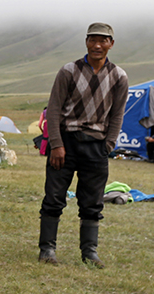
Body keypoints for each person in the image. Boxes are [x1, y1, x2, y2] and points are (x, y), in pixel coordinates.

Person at [39, 23, 129, 267]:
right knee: (54, 197)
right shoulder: (68, 71)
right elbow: (54, 109)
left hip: (97, 146)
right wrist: (56, 144)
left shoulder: (119, 76)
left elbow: (117, 114)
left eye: (103, 40)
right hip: (65, 142)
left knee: (92, 201)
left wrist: (108, 145)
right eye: (93, 40)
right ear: (86, 41)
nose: (97, 45)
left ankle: (89, 252)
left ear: (111, 43)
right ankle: (47, 249)